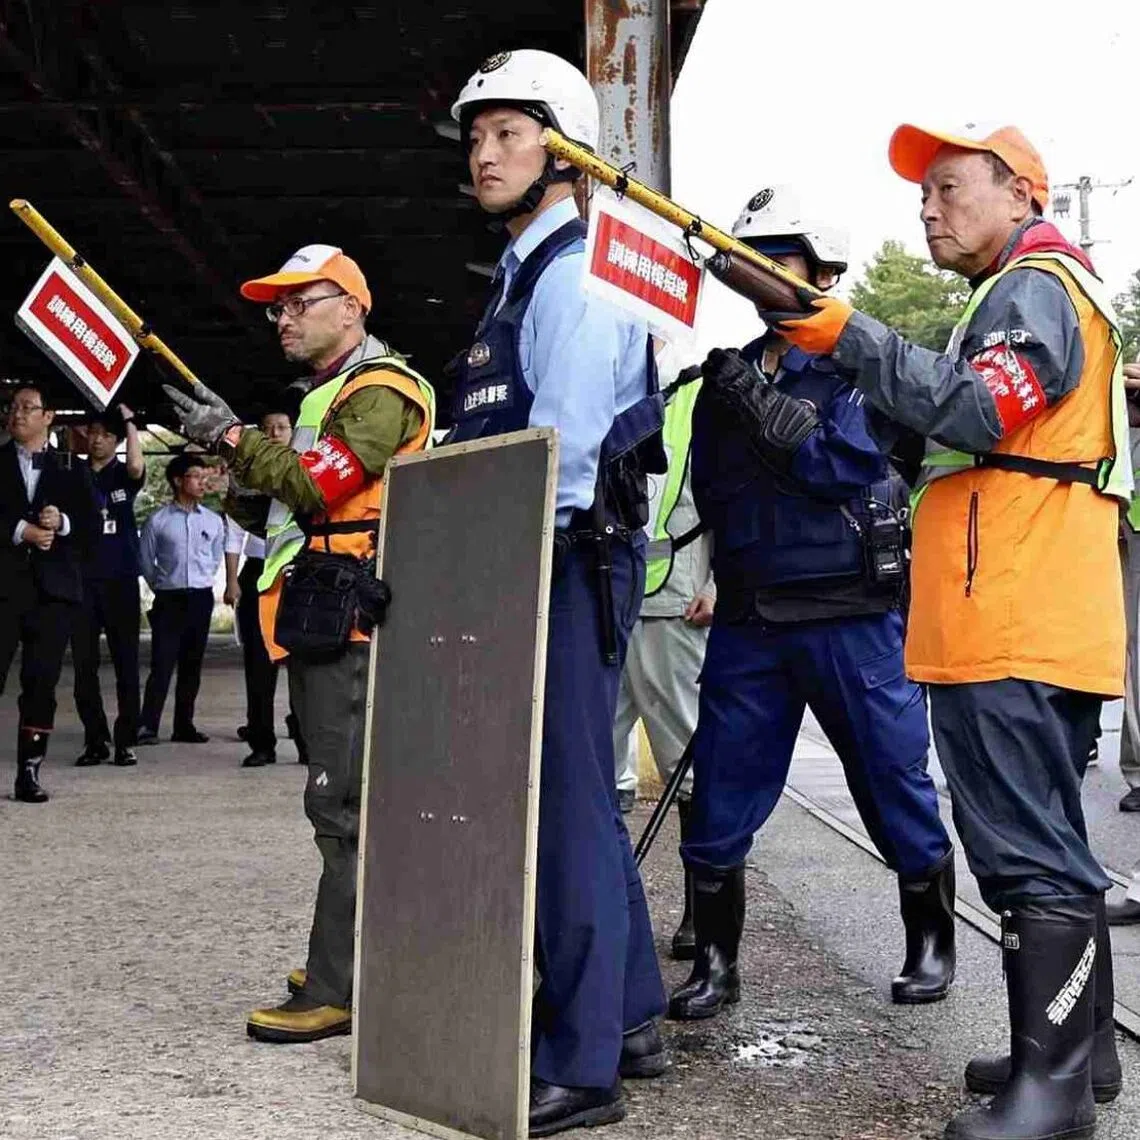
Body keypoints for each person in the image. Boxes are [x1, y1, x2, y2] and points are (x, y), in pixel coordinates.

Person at [760, 125, 1127, 1140]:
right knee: (1050, 832)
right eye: (923, 194)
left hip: (1009, 609)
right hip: (1038, 602)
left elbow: (976, 411)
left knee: (1022, 849)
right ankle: (1074, 1053)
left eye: (950, 188)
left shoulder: (1034, 288)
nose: (928, 209)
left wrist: (845, 333)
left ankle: (1049, 1095)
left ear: (1020, 193)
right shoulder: (1039, 290)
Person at [670, 187, 955, 1027]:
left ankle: (929, 939)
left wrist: (759, 410)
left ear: (821, 272)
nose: (755, 271)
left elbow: (840, 466)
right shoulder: (727, 372)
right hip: (753, 619)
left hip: (849, 616)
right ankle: (716, 961)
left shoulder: (867, 365)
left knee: (894, 776)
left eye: (777, 257)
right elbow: (711, 490)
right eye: (746, 255)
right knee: (721, 787)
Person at [448, 49, 668, 1136]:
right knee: (573, 794)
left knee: (566, 808)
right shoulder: (522, 274)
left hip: (563, 558)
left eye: (509, 133)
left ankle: (582, 1065)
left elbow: (566, 458)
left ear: (566, 149)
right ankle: (627, 1014)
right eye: (477, 136)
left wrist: (491, 575)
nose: (484, 153)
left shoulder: (575, 273)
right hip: (540, 556)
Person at [165, 243, 434, 1044]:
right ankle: (351, 951)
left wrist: (231, 440)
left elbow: (319, 486)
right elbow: (298, 512)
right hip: (322, 620)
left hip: (348, 626)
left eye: (297, 302)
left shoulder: (381, 393)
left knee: (340, 803)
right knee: (350, 801)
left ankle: (336, 986)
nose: (281, 317)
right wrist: (244, 482)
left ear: (351, 306)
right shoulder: (330, 395)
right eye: (276, 307)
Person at [612, 359, 714, 962]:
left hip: (673, 603)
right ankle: (607, 901)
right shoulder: (614, 385)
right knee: (597, 756)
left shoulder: (694, 394)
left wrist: (719, 583)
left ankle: (703, 916)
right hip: (607, 599)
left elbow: (729, 493)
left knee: (687, 762)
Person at [0, 383, 100, 802]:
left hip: (53, 592)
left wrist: (63, 523)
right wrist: (23, 531)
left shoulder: (70, 467)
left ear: (48, 417)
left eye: (28, 408)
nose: (18, 414)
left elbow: (93, 526)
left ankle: (29, 771)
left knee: (41, 683)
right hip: (5, 587)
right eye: (13, 407)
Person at [71, 403, 145, 768]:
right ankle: (95, 739)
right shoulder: (74, 474)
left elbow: (135, 466)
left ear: (116, 441)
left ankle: (125, 739)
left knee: (126, 663)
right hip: (82, 581)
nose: (98, 440)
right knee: (84, 665)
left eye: (106, 435)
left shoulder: (123, 474)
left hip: (120, 580)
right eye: (94, 433)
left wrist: (130, 423)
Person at [136, 453, 225, 745]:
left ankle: (183, 726)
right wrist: (163, 585)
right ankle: (147, 726)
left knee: (192, 664)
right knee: (162, 664)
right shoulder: (157, 521)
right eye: (195, 476)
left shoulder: (213, 521)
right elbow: (146, 561)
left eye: (204, 477)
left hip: (200, 599)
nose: (202, 482)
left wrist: (201, 582)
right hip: (169, 599)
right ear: (178, 481)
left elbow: (214, 559)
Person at [223, 408, 294, 769]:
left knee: (302, 659)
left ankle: (306, 738)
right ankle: (262, 741)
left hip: (297, 569)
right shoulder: (247, 472)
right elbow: (234, 528)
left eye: (282, 427)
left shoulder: (305, 466)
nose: (276, 432)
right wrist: (232, 578)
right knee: (259, 661)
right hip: (257, 570)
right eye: (268, 427)